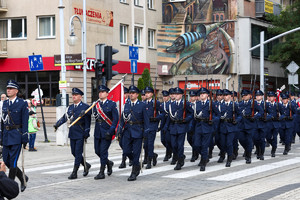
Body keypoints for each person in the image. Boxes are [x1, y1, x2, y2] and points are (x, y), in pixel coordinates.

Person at [54, 88, 91, 179]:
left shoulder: (85, 107)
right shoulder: (70, 107)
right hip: (72, 132)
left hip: (80, 132)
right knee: (74, 152)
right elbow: (65, 118)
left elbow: (88, 121)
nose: (74, 96)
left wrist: (87, 131)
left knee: (78, 153)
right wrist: (57, 124)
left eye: (76, 95)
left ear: (80, 96)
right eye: (73, 95)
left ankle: (75, 172)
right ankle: (86, 164)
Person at [0, 80, 29, 192]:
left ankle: (10, 185)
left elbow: (25, 121)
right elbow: (2, 121)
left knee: (13, 161)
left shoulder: (22, 103)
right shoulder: (5, 103)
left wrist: (25, 136)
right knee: (6, 161)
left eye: (11, 88)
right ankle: (23, 177)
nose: (8, 90)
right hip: (7, 135)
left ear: (16, 91)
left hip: (17, 136)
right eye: (7, 88)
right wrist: (1, 136)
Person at [118, 85, 149, 181]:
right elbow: (123, 118)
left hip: (138, 130)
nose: (131, 95)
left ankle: (134, 171)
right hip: (127, 131)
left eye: (133, 93)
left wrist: (146, 132)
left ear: (137, 94)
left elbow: (146, 120)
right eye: (130, 93)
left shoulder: (142, 105)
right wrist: (119, 129)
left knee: (136, 152)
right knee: (126, 150)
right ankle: (136, 164)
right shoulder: (126, 105)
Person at [92, 85, 119, 180]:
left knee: (103, 152)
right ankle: (109, 163)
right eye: (99, 92)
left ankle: (101, 172)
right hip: (97, 131)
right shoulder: (96, 104)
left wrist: (111, 131)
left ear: (107, 94)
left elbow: (116, 119)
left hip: (107, 131)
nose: (100, 93)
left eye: (103, 92)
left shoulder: (112, 104)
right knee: (97, 151)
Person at [163, 87, 193, 170]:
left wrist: (186, 119)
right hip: (173, 127)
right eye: (175, 94)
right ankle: (180, 156)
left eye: (177, 94)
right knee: (173, 145)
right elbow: (169, 116)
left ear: (181, 95)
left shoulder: (185, 104)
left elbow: (191, 113)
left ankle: (179, 162)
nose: (175, 96)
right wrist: (166, 126)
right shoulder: (171, 104)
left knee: (180, 145)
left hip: (181, 127)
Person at [193, 87, 220, 171]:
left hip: (207, 127)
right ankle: (204, 157)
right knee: (196, 145)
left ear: (207, 95)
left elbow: (218, 115)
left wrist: (213, 120)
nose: (202, 95)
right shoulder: (197, 104)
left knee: (204, 146)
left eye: (203, 94)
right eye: (200, 94)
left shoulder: (211, 104)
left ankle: (203, 162)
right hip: (198, 127)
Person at [238, 89, 263, 164]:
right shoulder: (240, 104)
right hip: (242, 125)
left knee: (249, 141)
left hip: (250, 124)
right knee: (241, 139)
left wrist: (255, 117)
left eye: (246, 95)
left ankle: (248, 157)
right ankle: (247, 150)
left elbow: (261, 111)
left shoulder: (253, 103)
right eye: (243, 95)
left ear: (249, 95)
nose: (244, 97)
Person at [219, 89, 241, 167]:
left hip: (231, 126)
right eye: (224, 95)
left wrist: (236, 120)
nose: (225, 97)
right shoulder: (220, 105)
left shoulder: (234, 105)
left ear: (230, 96)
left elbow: (240, 115)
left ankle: (229, 158)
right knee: (223, 143)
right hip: (223, 126)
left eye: (226, 95)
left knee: (229, 143)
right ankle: (223, 155)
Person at [143, 86, 163, 169]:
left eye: (148, 93)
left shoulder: (156, 103)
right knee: (145, 146)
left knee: (150, 144)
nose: (146, 94)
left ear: (152, 94)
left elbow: (162, 113)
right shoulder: (143, 103)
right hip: (145, 127)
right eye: (146, 93)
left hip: (152, 126)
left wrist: (156, 118)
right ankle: (153, 155)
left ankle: (149, 161)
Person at [159, 90, 172, 161]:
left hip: (169, 124)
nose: (164, 98)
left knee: (168, 140)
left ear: (168, 97)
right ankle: (170, 150)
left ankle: (168, 154)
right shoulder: (161, 104)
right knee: (162, 140)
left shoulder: (170, 104)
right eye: (163, 96)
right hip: (163, 123)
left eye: (166, 96)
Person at [187, 90, 198, 162]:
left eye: (193, 96)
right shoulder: (188, 104)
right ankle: (196, 150)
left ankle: (194, 154)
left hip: (197, 125)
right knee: (189, 139)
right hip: (190, 125)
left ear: (196, 97)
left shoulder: (199, 104)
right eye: (191, 96)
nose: (192, 97)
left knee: (195, 140)